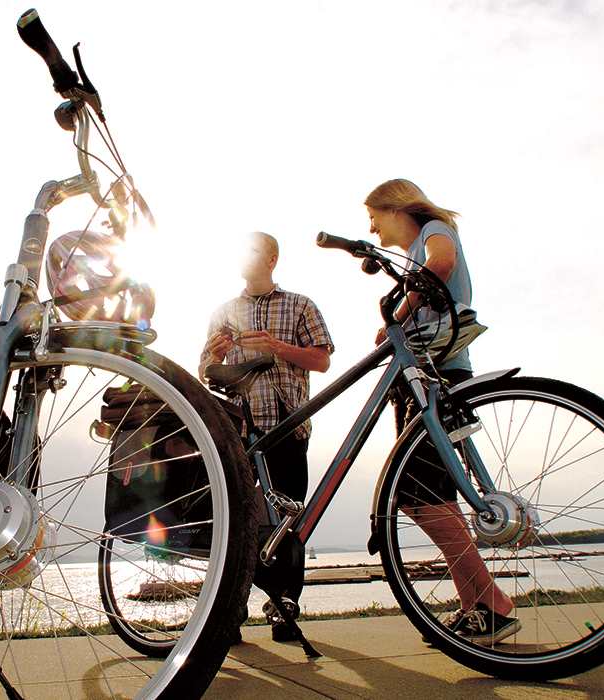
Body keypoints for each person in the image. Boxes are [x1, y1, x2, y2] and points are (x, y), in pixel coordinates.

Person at [365, 178, 520, 644]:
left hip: (436, 378)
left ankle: (492, 600)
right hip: (427, 374)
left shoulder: (433, 229)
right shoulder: (416, 246)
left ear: (395, 208)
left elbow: (442, 263)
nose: (372, 230)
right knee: (434, 496)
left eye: (373, 217)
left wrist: (401, 310)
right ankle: (477, 607)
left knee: (415, 495)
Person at [199, 232, 333, 644]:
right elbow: (205, 368)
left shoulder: (300, 305)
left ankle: (283, 608)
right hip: (237, 428)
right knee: (232, 519)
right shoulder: (224, 310)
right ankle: (230, 611)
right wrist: (215, 355)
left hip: (288, 425)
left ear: (272, 258)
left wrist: (276, 347)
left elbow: (323, 359)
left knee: (288, 519)